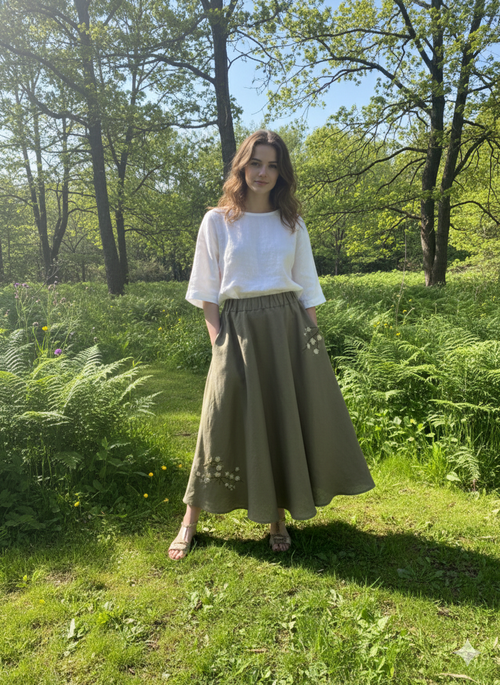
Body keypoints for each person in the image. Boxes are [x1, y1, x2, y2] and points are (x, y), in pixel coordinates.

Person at [168, 130, 375, 560]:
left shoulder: (291, 223)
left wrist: (312, 344)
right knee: (217, 420)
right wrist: (218, 342)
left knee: (282, 418)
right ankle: (190, 519)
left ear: (282, 172)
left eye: (273, 165)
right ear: (242, 166)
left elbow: (307, 288)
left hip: (288, 328)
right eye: (256, 163)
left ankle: (277, 518)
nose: (263, 172)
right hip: (238, 328)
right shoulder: (217, 221)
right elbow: (206, 292)